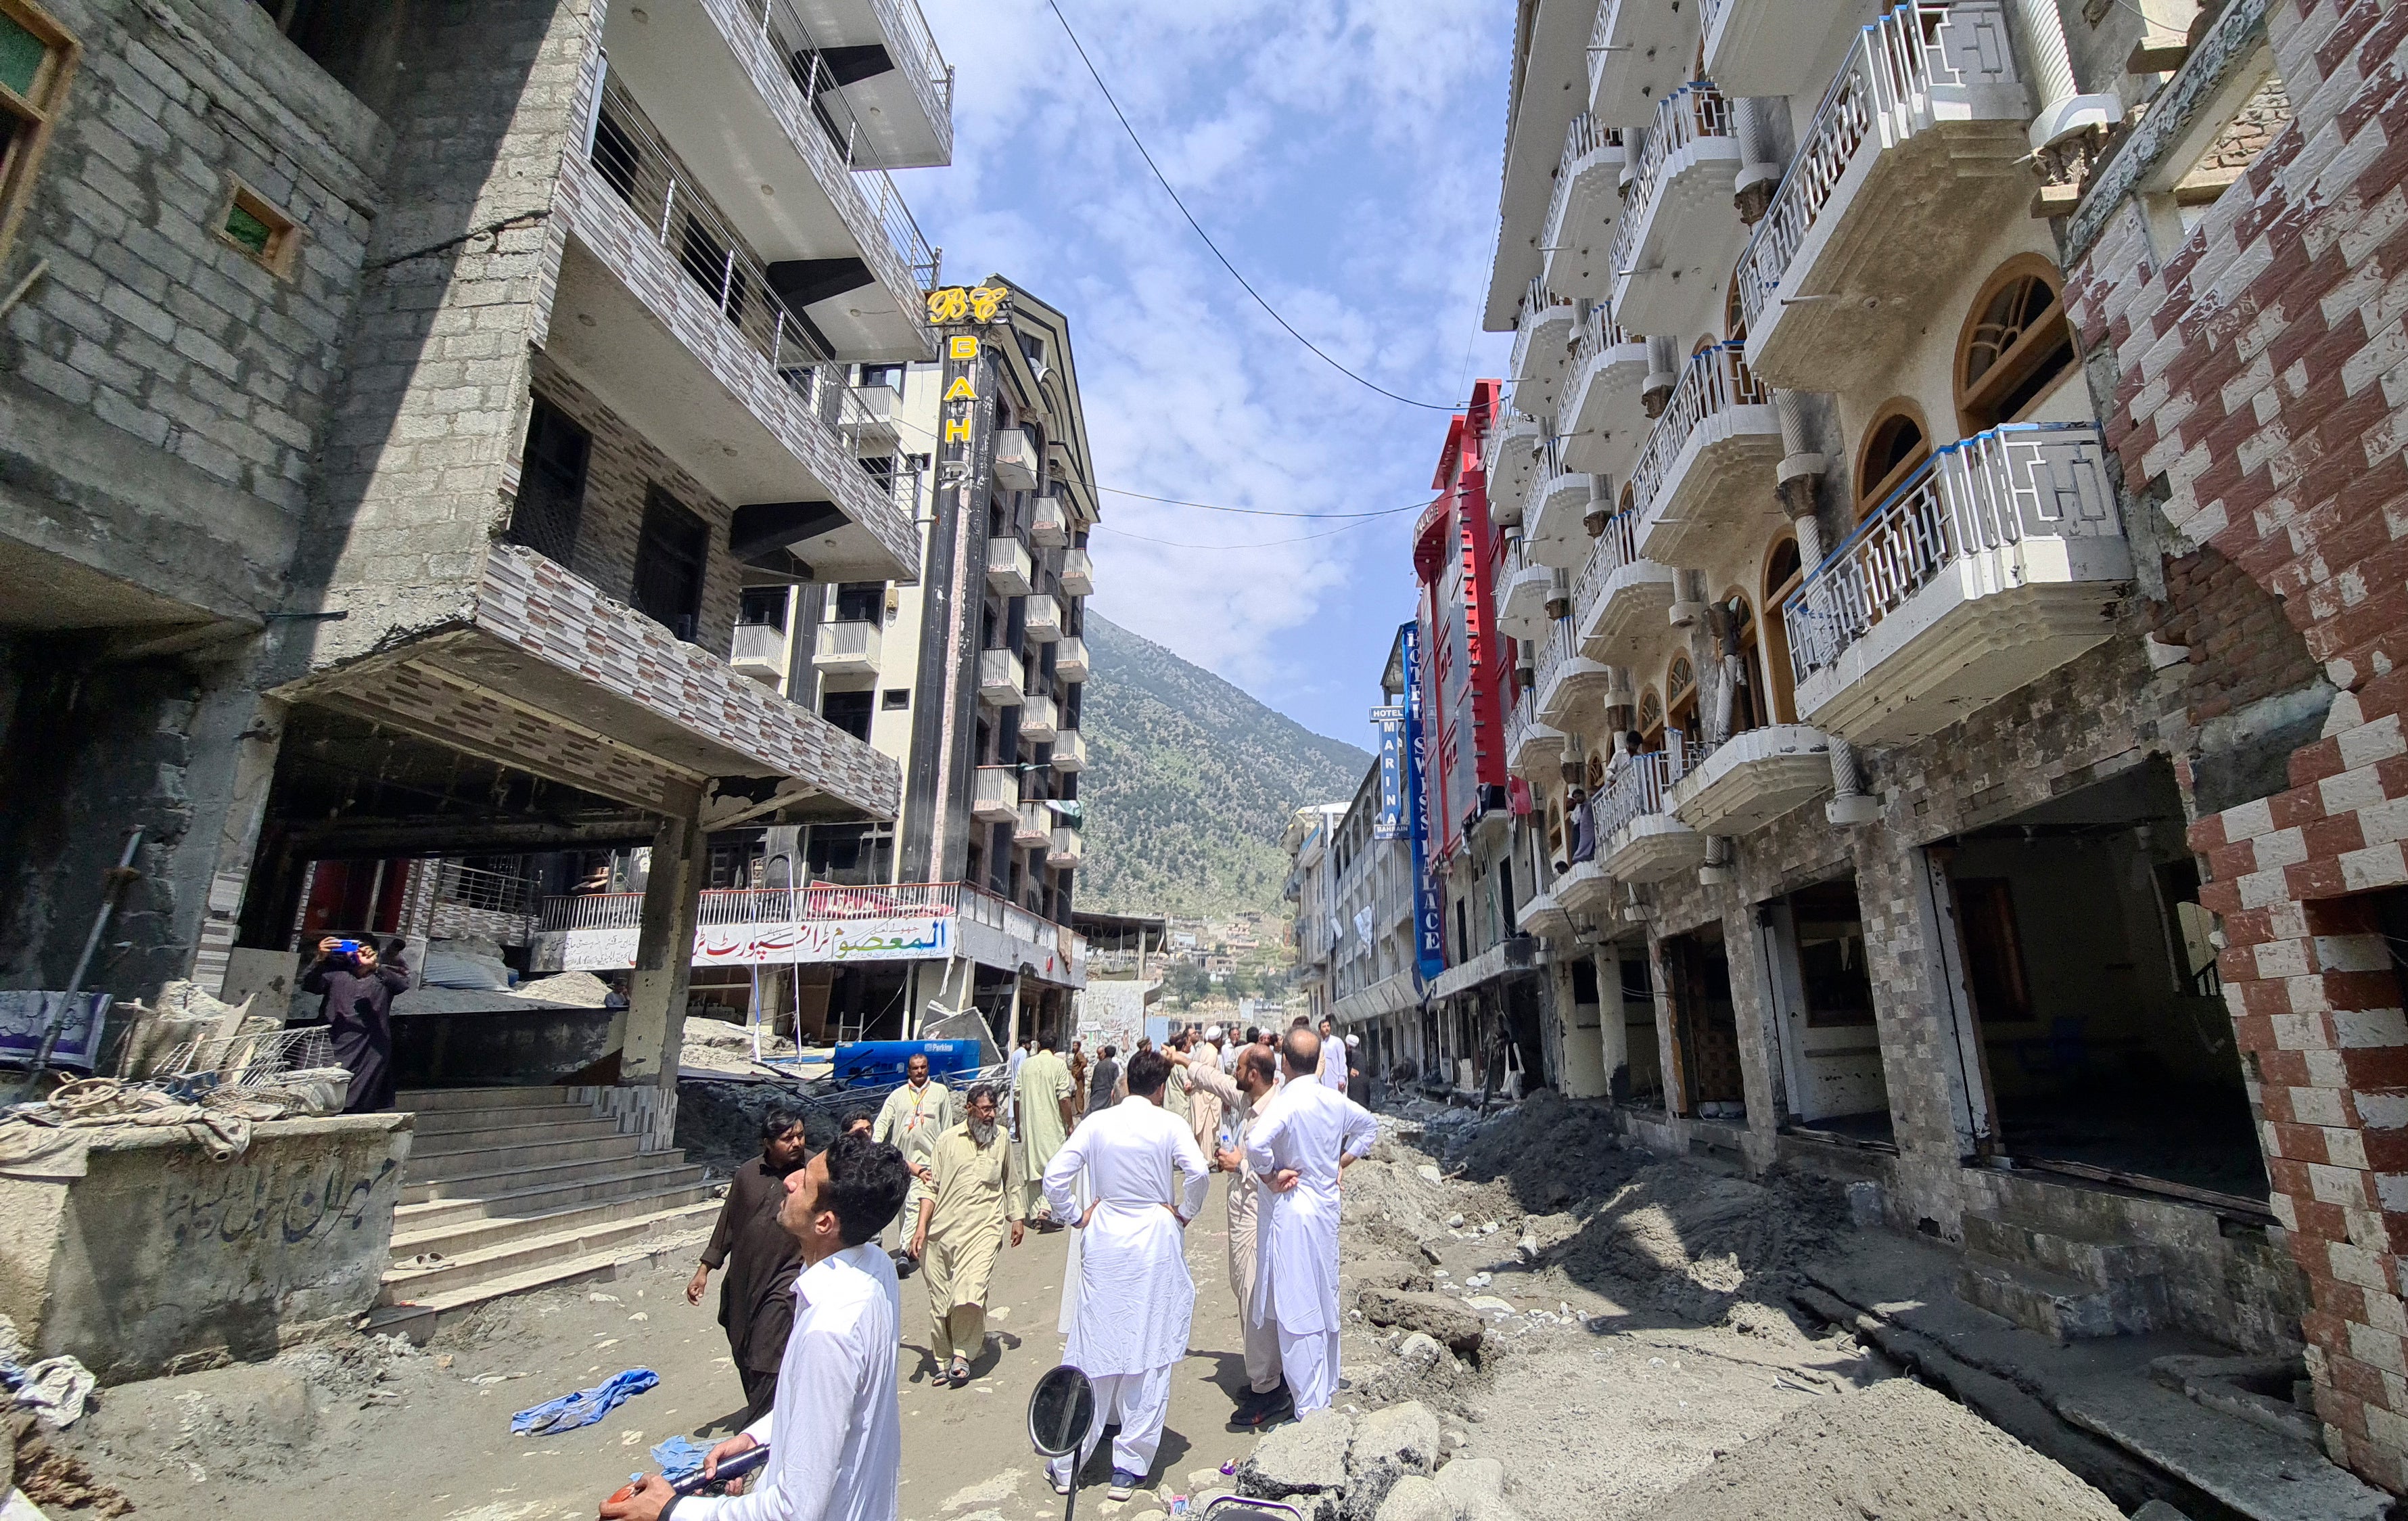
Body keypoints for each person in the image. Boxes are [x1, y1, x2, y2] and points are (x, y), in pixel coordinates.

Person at [602, 1131, 912, 1521]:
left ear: (825, 1223)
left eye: (805, 1182)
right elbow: (829, 1407)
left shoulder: (829, 1332)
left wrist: (670, 1511)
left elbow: (794, 1511)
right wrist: (757, 1437)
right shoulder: (876, 1267)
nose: (789, 1181)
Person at [1040, 1049, 1210, 1500]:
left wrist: (1076, 1215)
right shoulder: (1169, 1124)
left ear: (1126, 1082)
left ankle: (1066, 1461)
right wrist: (1183, 1214)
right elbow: (1198, 1172)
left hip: (1106, 1235)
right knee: (1149, 1346)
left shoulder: (1098, 1122)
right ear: (1159, 1088)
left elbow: (1055, 1176)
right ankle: (1128, 1469)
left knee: (1092, 1344)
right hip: (1154, 1240)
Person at [1245, 1027, 1379, 1415]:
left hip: (1293, 1210)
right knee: (1324, 1294)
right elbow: (1369, 1126)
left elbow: (1256, 1144)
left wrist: (1270, 1176)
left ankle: (1308, 1403)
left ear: (1284, 1063)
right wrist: (1342, 1162)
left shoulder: (1286, 1103)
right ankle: (1323, 1389)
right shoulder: (1333, 1100)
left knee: (1296, 1303)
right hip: (1325, 1209)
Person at [1170, 1040, 1285, 1425]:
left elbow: (1289, 1171)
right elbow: (1217, 1082)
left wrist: (1242, 1166)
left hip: (1259, 1216)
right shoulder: (1250, 1102)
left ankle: (1268, 1388)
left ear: (1254, 1074)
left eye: (1239, 1067)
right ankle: (1264, 1375)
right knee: (1243, 1290)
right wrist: (1183, 1060)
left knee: (1255, 1297)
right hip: (1242, 1213)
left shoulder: (1278, 1114)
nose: (1233, 1072)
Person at [688, 1108, 812, 1426]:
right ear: (767, 1143)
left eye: (800, 1135)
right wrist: (704, 1269)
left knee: (767, 1351)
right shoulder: (747, 1174)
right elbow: (727, 1223)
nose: (797, 1142)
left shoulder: (813, 1172)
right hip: (745, 1279)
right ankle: (770, 1413)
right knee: (743, 1346)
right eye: (787, 1138)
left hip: (788, 1275)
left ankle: (760, 1429)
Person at [910, 1081, 1023, 1386]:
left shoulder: (1001, 1140)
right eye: (985, 1110)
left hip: (984, 1231)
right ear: (969, 1109)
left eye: (994, 1109)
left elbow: (1011, 1182)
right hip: (942, 1232)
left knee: (971, 1291)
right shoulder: (947, 1141)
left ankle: (963, 1353)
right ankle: (945, 1360)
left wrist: (1017, 1218)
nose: (991, 1115)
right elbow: (929, 1188)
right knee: (941, 1301)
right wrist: (921, 1228)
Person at [303, 936, 409, 1114]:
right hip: (331, 1044)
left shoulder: (382, 976)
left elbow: (401, 985)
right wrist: (320, 958)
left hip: (367, 1050)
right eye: (352, 948)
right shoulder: (336, 973)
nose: (357, 954)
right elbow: (309, 984)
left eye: (362, 949)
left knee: (358, 1102)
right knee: (318, 1097)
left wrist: (375, 967)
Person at [871, 1055, 951, 1267]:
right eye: (915, 1068)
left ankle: (905, 1252)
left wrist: (947, 1159)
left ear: (928, 1068)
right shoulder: (897, 1096)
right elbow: (882, 1122)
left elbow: (947, 1129)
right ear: (909, 1071)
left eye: (923, 1067)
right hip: (901, 1162)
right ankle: (913, 1243)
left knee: (916, 1204)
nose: (919, 1072)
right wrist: (875, 1146)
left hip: (928, 1162)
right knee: (903, 1205)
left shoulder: (940, 1093)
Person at [1015, 1037, 1076, 1224]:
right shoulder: (1059, 1066)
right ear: (1055, 1047)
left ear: (1039, 1045)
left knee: (1032, 1171)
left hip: (1030, 1126)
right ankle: (1046, 1209)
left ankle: (1034, 1214)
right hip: (1053, 1126)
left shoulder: (1027, 1066)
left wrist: (1019, 1125)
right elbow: (1064, 1099)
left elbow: (1016, 1097)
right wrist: (1070, 1123)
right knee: (1054, 1169)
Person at [1188, 1026, 1224, 1157]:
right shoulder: (1212, 1053)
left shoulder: (1202, 1050)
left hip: (1200, 1095)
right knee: (1206, 1130)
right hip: (1206, 1097)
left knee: (1203, 1132)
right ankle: (1207, 1159)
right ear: (1218, 1040)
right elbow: (1206, 1076)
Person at [1086, 1044, 1122, 1117]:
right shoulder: (1114, 1066)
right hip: (1107, 1096)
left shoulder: (1097, 1066)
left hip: (1096, 1095)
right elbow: (1116, 1083)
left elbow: (1093, 1082)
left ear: (1105, 1053)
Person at [1315, 1018, 1345, 1092]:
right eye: (1324, 1027)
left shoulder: (1337, 1042)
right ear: (1319, 1031)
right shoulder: (1318, 1044)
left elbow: (1342, 1061)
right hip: (1322, 1082)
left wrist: (1342, 1078)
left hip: (1335, 1082)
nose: (1327, 1028)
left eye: (1328, 1026)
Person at [1345, 1034, 1372, 1110]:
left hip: (1355, 1094)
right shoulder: (1361, 1056)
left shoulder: (1350, 1055)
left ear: (1348, 1045)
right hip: (1365, 1095)